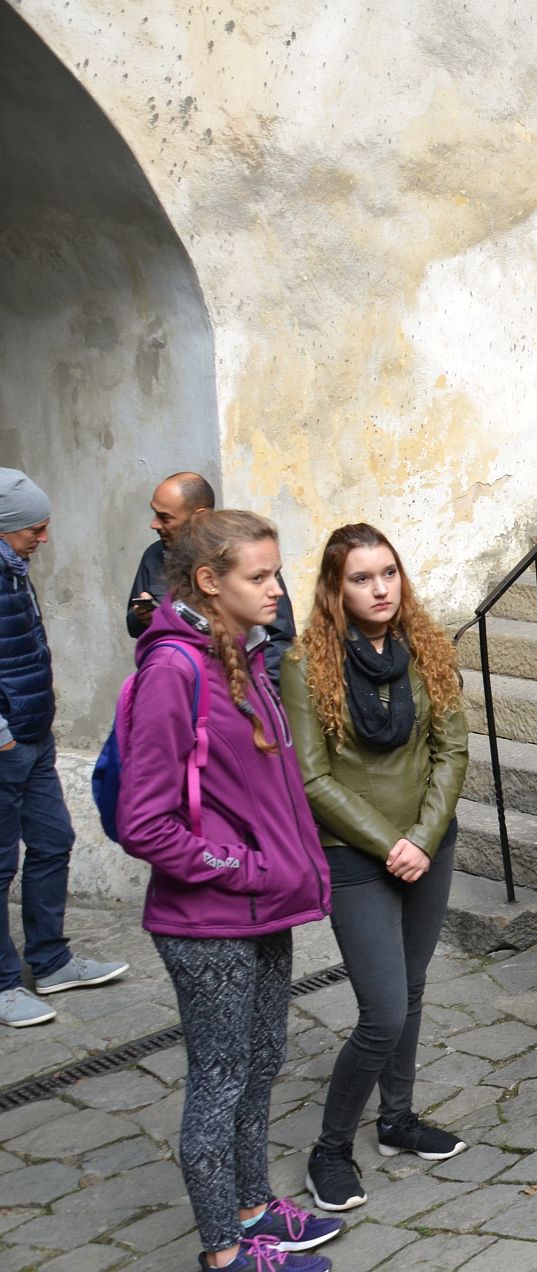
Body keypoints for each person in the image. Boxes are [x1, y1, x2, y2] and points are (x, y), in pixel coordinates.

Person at [116, 510, 341, 1271]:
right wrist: (245, 868)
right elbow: (144, 822)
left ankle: (253, 1207)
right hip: (208, 919)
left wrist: (277, 870)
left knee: (262, 1057)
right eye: (259, 576)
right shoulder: (173, 671)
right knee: (218, 1079)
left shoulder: (239, 653)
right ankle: (225, 1253)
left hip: (262, 908)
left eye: (277, 572)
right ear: (209, 582)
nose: (277, 589)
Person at [282, 525, 471, 1212]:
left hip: (430, 844)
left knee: (412, 990)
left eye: (388, 572)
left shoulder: (426, 645)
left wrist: (423, 836)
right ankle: (329, 1150)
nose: (380, 588)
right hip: (354, 857)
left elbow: (452, 751)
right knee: (383, 1012)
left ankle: (397, 1120)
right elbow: (311, 778)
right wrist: (392, 843)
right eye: (361, 578)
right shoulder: (306, 665)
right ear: (336, 589)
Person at [0, 469, 128, 1030]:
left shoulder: (12, 570)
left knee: (54, 841)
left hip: (34, 737)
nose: (43, 537)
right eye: (35, 528)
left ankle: (50, 962)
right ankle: (3, 986)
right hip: (6, 744)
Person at [128, 473, 297, 684]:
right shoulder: (153, 557)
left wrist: (263, 687)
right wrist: (143, 617)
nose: (154, 524)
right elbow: (133, 625)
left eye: (165, 517)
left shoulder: (239, 557)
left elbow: (280, 637)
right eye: (257, 578)